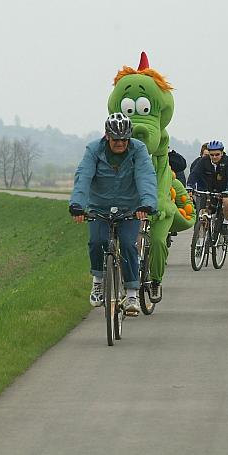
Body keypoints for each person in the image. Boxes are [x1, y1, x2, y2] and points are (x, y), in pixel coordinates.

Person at [69, 114, 157, 315]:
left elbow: (145, 176)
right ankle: (98, 281)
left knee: (127, 244)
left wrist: (147, 204)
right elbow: (83, 176)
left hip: (131, 208)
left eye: (124, 139)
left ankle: (132, 293)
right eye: (116, 139)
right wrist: (77, 205)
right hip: (100, 206)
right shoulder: (93, 150)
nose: (120, 143)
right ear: (107, 136)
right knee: (96, 241)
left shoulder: (138, 150)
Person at [187, 140, 228, 235]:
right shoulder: (204, 161)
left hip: (224, 191)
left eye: (217, 154)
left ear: (222, 153)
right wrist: (190, 185)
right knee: (201, 213)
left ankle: (226, 222)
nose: (214, 157)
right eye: (212, 155)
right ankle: (201, 238)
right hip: (208, 191)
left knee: (227, 202)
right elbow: (195, 173)